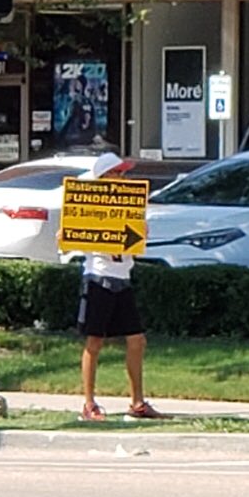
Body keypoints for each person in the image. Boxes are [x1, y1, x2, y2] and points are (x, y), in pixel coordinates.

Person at [74, 152, 165, 421]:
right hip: (98, 278)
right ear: (104, 177)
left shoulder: (129, 206)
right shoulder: (89, 206)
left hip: (122, 278)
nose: (122, 177)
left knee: (137, 340)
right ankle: (89, 404)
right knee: (94, 341)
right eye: (116, 173)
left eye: (123, 173)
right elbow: (73, 235)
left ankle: (137, 402)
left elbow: (134, 243)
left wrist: (140, 233)